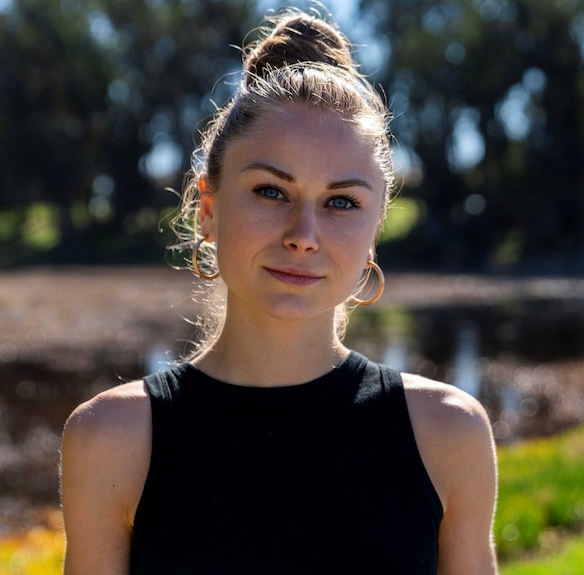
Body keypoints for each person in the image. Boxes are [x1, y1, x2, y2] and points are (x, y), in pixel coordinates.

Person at [60, 8, 498, 575]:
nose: (303, 236)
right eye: (271, 191)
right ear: (208, 210)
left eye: (342, 202)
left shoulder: (448, 433)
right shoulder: (111, 440)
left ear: (374, 234)